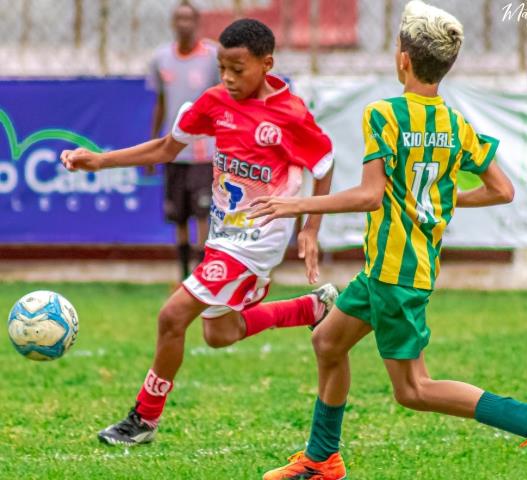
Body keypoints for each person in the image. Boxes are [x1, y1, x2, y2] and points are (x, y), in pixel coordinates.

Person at [251, 2, 527, 480]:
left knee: (413, 390)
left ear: (402, 59)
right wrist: (445, 200)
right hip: (389, 270)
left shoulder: (384, 114)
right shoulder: (455, 125)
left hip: (396, 276)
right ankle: (322, 460)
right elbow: (503, 190)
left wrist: (294, 206)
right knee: (327, 342)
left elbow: (369, 195)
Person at [61, 18, 338, 447]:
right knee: (219, 333)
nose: (227, 78)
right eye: (222, 67)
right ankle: (309, 310)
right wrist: (99, 160)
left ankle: (143, 420)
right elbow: (166, 148)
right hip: (223, 235)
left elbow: (324, 164)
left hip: (258, 238)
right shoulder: (214, 103)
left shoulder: (289, 115)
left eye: (238, 69)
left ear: (268, 64)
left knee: (172, 316)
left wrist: (310, 227)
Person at [148, 1, 220, 279]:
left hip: (204, 151)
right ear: (172, 23)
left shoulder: (212, 57)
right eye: (179, 18)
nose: (184, 24)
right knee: (179, 215)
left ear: (197, 22)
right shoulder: (160, 59)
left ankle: (202, 275)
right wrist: (155, 143)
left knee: (202, 213)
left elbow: (220, 102)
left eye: (189, 19)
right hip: (174, 151)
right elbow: (161, 103)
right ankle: (182, 276)